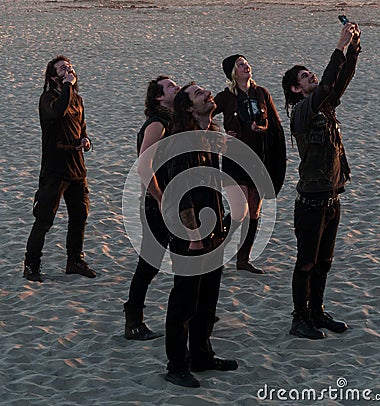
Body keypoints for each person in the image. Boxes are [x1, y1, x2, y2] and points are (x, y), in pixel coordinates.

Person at [281, 21, 361, 339]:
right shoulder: (301, 111)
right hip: (311, 201)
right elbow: (328, 84)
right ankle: (299, 318)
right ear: (295, 89)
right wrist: (338, 46)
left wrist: (353, 47)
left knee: (324, 262)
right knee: (306, 263)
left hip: (332, 197)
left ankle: (317, 311)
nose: (311, 75)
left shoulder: (325, 108)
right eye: (304, 76)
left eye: (309, 72)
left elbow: (339, 82)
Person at [163, 83, 238, 388]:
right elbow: (180, 190)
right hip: (190, 235)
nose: (207, 93)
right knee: (184, 301)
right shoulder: (181, 140)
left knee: (207, 299)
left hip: (213, 230)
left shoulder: (208, 138)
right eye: (198, 93)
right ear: (188, 108)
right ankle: (177, 365)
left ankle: (202, 355)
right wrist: (193, 234)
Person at [23, 55, 95, 283]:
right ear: (54, 76)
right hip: (55, 168)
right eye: (63, 68)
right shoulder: (47, 99)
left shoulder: (78, 99)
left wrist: (86, 140)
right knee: (44, 219)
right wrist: (66, 86)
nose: (69, 69)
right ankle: (31, 265)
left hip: (77, 167)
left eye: (70, 67)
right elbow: (59, 112)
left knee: (79, 217)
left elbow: (81, 128)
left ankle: (74, 261)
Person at [213, 54, 286, 274]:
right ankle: (214, 248)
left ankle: (243, 260)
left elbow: (275, 123)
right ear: (233, 72)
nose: (246, 66)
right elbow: (204, 114)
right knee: (240, 209)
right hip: (235, 158)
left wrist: (263, 130)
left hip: (259, 159)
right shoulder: (225, 97)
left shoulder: (261, 93)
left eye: (246, 63)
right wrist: (218, 135)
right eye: (241, 64)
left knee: (254, 210)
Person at [123, 75, 180, 340]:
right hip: (159, 204)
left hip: (178, 202)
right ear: (158, 97)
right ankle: (133, 321)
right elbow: (144, 164)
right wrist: (160, 199)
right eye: (170, 86)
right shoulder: (158, 124)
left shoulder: (175, 121)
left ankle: (190, 312)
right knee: (150, 264)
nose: (176, 87)